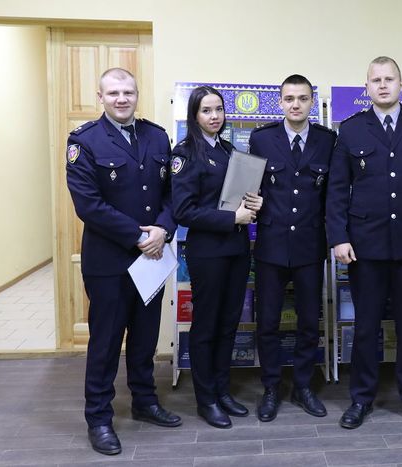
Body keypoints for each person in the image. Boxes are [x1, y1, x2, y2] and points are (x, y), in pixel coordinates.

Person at [326, 56, 402, 431]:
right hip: (365, 247)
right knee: (365, 327)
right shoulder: (351, 129)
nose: (382, 85)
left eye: (389, 79)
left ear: (401, 84)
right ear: (366, 87)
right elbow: (336, 191)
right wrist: (339, 237)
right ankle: (361, 399)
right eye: (375, 80)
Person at [66, 68, 181, 456]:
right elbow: (89, 205)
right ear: (100, 97)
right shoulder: (84, 141)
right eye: (113, 93)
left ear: (136, 95)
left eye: (128, 92)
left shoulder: (157, 136)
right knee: (106, 342)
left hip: (153, 258)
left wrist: (163, 229)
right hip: (110, 263)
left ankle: (145, 402)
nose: (121, 99)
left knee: (145, 337)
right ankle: (99, 418)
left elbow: (171, 194)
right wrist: (139, 236)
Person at [171, 86, 263, 429]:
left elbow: (238, 197)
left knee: (228, 324)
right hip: (207, 253)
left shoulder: (229, 150)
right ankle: (206, 399)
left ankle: (223, 391)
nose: (214, 116)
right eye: (206, 110)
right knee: (206, 326)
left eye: (219, 110)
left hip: (236, 250)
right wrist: (230, 218)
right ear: (194, 115)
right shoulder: (185, 153)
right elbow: (183, 211)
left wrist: (253, 203)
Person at [248, 74, 337, 422]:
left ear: (312, 102)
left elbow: (334, 194)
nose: (295, 105)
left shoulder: (327, 140)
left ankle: (303, 385)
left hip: (310, 246)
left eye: (302, 98)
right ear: (280, 102)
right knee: (268, 322)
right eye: (289, 99)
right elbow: (248, 187)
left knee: (308, 322)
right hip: (270, 246)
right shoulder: (261, 139)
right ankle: (271, 387)